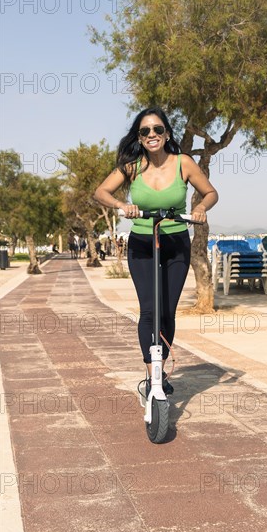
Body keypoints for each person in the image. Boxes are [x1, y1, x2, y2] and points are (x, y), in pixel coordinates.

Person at [94, 106, 218, 395]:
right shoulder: (132, 167)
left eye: (158, 129)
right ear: (139, 138)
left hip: (176, 243)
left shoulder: (183, 163)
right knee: (149, 310)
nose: (152, 135)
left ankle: (159, 371)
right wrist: (122, 206)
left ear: (167, 133)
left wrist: (199, 207)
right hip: (142, 244)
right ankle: (153, 376)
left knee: (167, 313)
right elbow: (101, 191)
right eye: (145, 131)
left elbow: (211, 193)